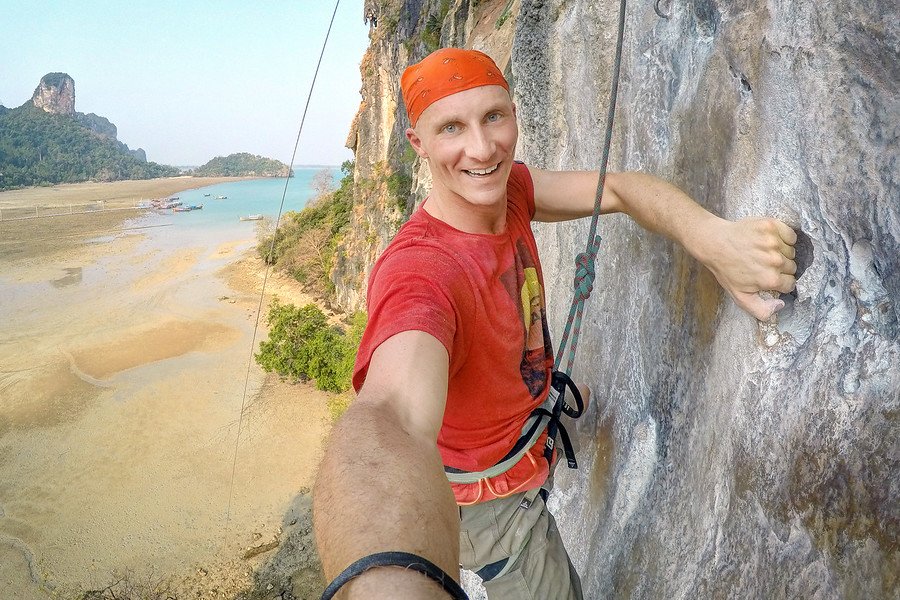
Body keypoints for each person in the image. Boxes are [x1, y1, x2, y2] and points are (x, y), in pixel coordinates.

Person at [313, 48, 797, 599]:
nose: (481, 147)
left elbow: (616, 188)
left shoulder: (509, 191)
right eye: (452, 127)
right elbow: (392, 416)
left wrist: (713, 240)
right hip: (490, 504)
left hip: (520, 433)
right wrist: (383, 586)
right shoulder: (423, 272)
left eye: (494, 116)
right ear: (417, 143)